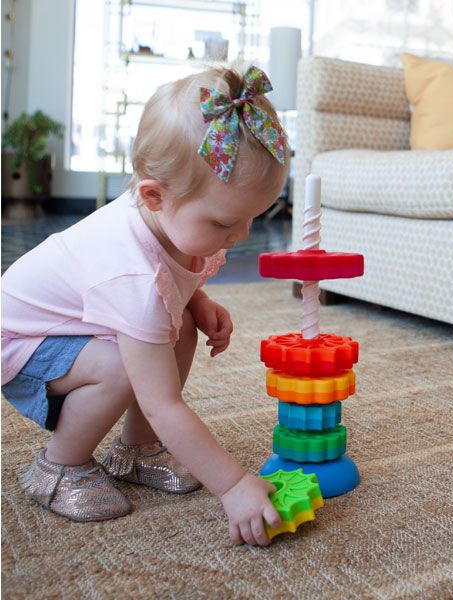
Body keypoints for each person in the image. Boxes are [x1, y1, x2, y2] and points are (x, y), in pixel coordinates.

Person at [1, 65, 289, 547]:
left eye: (253, 218)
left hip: (70, 323)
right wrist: (233, 485)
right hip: (20, 344)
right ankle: (58, 466)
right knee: (121, 367)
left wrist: (197, 298)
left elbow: (169, 284)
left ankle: (136, 450)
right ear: (154, 196)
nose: (241, 235)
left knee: (179, 323)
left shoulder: (166, 221)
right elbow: (162, 402)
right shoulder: (131, 274)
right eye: (224, 223)